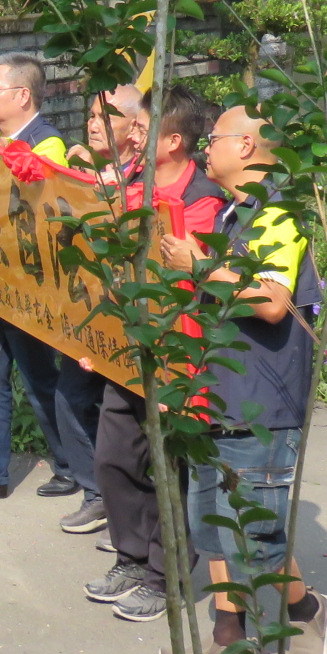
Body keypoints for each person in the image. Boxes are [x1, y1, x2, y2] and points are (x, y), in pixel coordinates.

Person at [155, 107, 327, 654]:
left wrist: (199, 263)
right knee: (210, 521)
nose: (205, 147)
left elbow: (271, 302)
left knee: (255, 533)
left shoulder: (279, 215)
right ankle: (228, 632)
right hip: (214, 392)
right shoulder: (232, 213)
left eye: (214, 138)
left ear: (247, 146)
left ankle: (305, 613)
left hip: (260, 401)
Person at [0, 56, 104, 530]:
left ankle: (70, 466)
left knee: (38, 378)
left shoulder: (47, 142)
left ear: (23, 95)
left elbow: (39, 193)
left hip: (30, 286)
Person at [85, 86, 227, 621]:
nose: (133, 136)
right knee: (115, 456)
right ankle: (131, 556)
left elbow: (192, 282)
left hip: (178, 355)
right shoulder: (129, 186)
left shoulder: (204, 200)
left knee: (170, 467)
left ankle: (166, 577)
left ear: (172, 142)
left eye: (143, 129)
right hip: (130, 347)